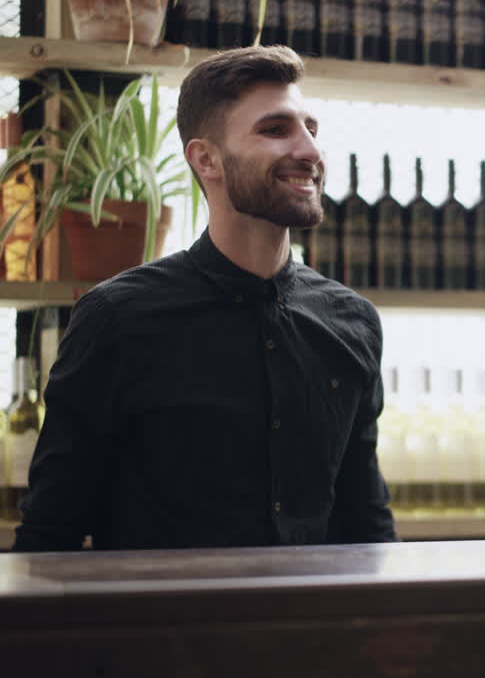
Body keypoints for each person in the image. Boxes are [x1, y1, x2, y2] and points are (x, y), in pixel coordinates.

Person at [13, 46, 398, 551]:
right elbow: (50, 533)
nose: (309, 151)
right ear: (207, 159)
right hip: (165, 628)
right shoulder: (118, 319)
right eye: (276, 129)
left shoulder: (354, 321)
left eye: (311, 129)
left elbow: (366, 517)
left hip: (314, 627)